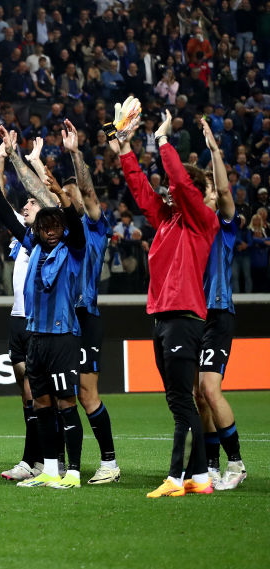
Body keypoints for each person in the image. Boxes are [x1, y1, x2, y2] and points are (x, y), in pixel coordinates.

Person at [114, 108, 219, 498]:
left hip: (183, 316)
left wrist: (161, 139)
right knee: (178, 400)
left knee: (180, 401)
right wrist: (125, 149)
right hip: (161, 317)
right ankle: (202, 477)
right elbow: (141, 190)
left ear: (183, 192)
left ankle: (178, 478)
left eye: (173, 189)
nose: (165, 191)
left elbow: (177, 179)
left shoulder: (201, 219)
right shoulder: (168, 220)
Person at [0, 142, 87, 490]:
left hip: (61, 338)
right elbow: (10, 221)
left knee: (65, 404)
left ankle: (73, 472)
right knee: (41, 404)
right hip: (36, 337)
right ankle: (51, 469)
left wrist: (62, 197)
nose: (49, 229)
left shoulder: (73, 251)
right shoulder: (32, 247)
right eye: (44, 226)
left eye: (54, 224)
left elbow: (72, 220)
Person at [60, 123, 120, 484]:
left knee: (86, 393)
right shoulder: (62, 234)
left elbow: (86, 190)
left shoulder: (95, 226)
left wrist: (75, 152)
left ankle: (110, 462)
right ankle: (61, 465)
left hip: (86, 317)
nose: (70, 200)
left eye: (72, 196)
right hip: (62, 321)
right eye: (64, 196)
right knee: (63, 394)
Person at [196, 120, 247, 490]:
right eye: (207, 191)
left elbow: (226, 190)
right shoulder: (190, 227)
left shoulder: (223, 225)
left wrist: (215, 152)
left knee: (210, 389)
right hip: (194, 316)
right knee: (199, 394)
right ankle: (211, 463)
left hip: (219, 315)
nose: (212, 195)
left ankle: (236, 463)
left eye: (212, 191)